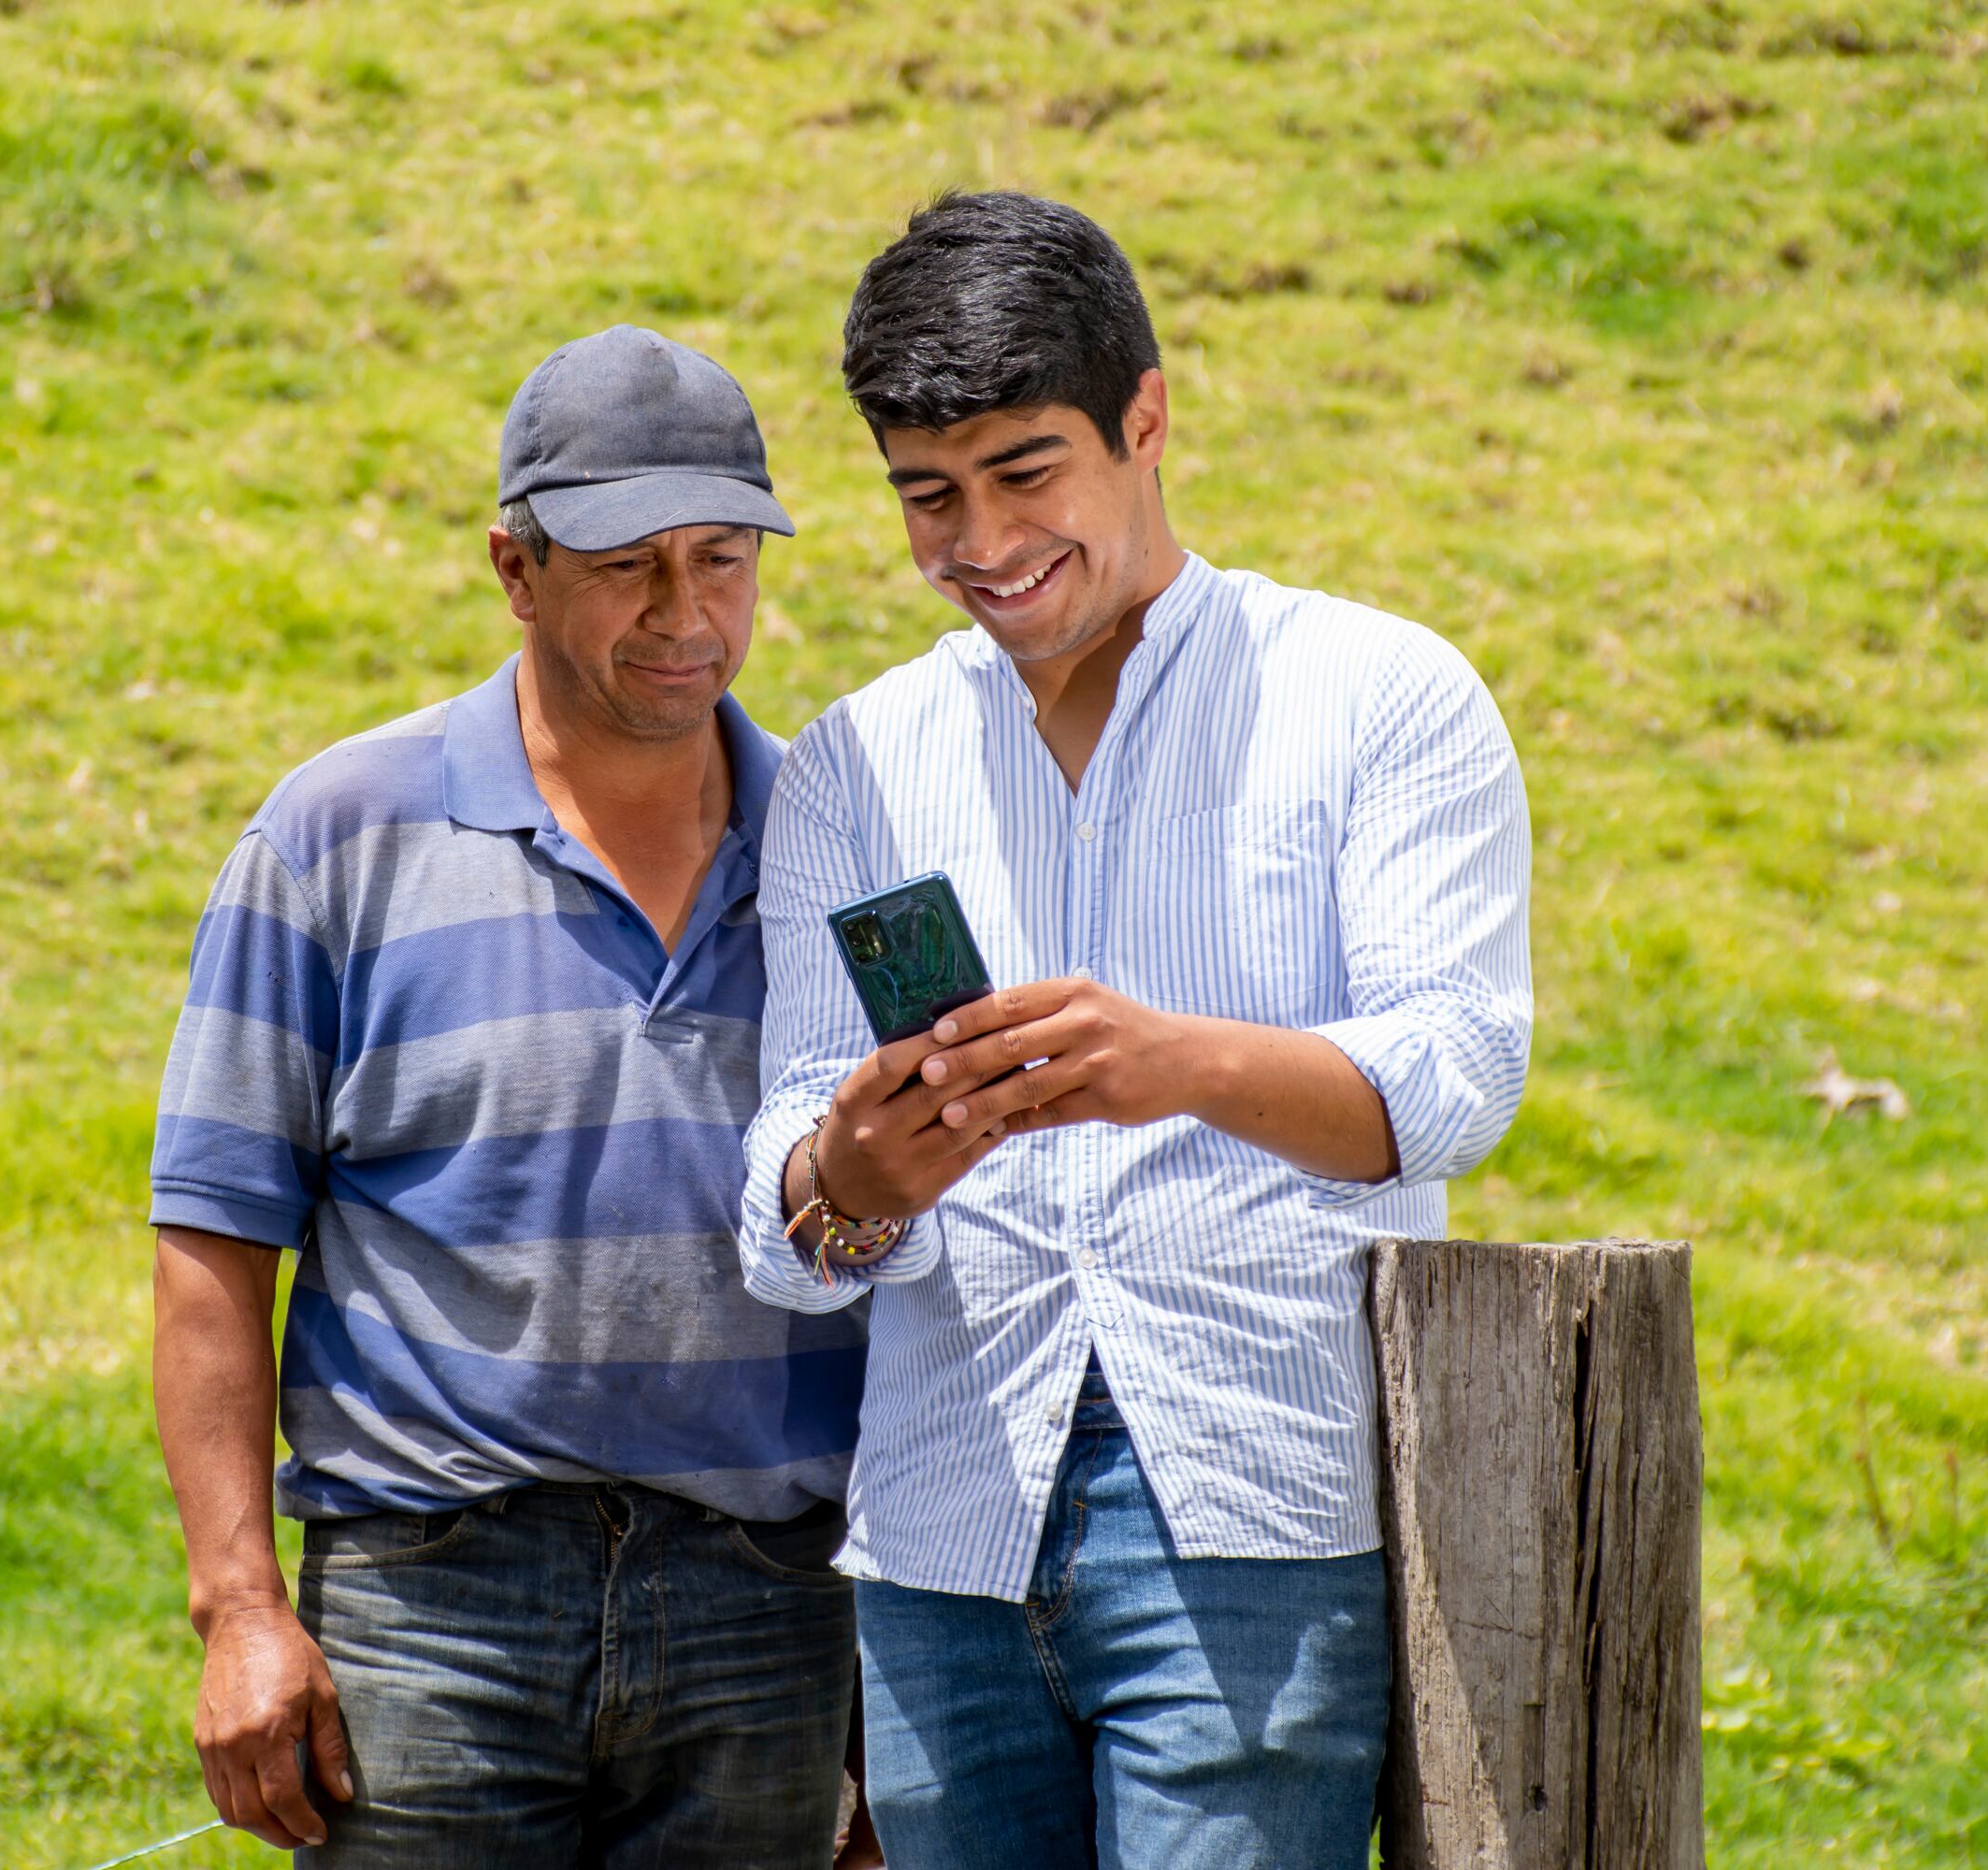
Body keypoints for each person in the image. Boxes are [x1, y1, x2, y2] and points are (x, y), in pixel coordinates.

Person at [738, 192, 1533, 1869]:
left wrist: (1175, 1064)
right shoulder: (850, 764)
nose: (981, 541)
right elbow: (788, 1210)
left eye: (1028, 474)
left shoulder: (1381, 697)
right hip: (943, 1532)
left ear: (1147, 420)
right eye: (927, 497)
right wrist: (856, 1171)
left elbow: (1457, 1076)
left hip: (1250, 1512)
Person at [150, 324, 867, 1868]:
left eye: (724, 560)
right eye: (629, 568)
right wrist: (240, 1611)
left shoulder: (845, 852)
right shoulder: (335, 836)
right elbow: (212, 1250)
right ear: (514, 567)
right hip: (432, 1609)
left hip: (773, 1612)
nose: (687, 618)